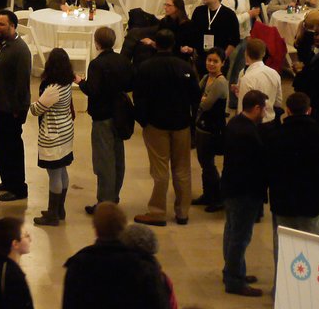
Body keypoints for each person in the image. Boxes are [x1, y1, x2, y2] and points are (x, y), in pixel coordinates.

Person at [131, 29, 200, 227]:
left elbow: (139, 97)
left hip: (156, 124)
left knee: (160, 170)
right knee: (182, 169)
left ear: (155, 44)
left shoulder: (146, 67)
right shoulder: (184, 67)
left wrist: (143, 121)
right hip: (181, 123)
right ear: (173, 44)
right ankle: (182, 212)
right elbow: (195, 97)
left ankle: (158, 212)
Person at [266, 91, 319, 277]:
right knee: (309, 247)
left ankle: (281, 290)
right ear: (309, 111)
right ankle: (305, 292)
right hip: (312, 201)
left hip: (283, 201)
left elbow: (267, 166)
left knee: (283, 246)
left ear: (287, 110)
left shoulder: (275, 135)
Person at [76, 26, 133, 213]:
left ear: (97, 43)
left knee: (104, 161)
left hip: (103, 116)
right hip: (120, 114)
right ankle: (114, 196)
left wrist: (80, 82)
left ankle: (104, 203)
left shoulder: (97, 64)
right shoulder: (122, 60)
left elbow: (93, 90)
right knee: (118, 158)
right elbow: (128, 83)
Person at [219, 91, 268, 298]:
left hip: (231, 187)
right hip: (244, 191)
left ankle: (233, 270)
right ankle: (234, 280)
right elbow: (256, 164)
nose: (265, 112)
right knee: (240, 236)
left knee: (231, 231)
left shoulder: (235, 123)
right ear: (256, 108)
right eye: (264, 108)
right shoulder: (248, 133)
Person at [31, 48, 77, 226]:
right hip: (66, 132)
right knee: (63, 170)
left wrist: (31, 104)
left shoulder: (53, 88)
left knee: (54, 175)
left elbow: (37, 110)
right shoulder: (66, 83)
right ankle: (59, 208)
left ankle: (52, 214)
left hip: (53, 134)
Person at [0, 10, 31, 202]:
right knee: (0, 146)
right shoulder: (3, 45)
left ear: (12, 26)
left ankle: (18, 187)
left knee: (12, 148)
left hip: (11, 109)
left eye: (1, 24)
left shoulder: (20, 50)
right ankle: (7, 180)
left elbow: (22, 83)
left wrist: (18, 109)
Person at [192, 50, 229, 211]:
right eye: (209, 60)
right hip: (202, 126)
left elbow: (206, 104)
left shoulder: (220, 82)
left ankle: (217, 197)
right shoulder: (207, 78)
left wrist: (201, 99)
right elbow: (195, 96)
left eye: (215, 61)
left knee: (208, 164)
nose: (211, 64)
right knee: (204, 163)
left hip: (212, 129)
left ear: (222, 63)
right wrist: (201, 98)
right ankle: (207, 194)